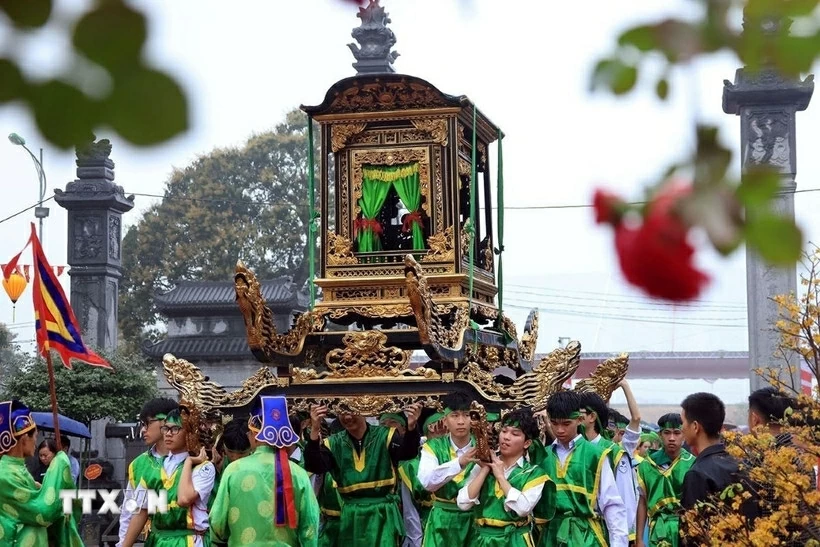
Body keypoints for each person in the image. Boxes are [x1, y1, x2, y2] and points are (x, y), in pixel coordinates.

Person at [304, 403, 422, 547]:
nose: (347, 417)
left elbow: (407, 453)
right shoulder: (333, 443)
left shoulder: (386, 435)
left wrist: (411, 427)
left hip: (383, 514)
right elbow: (315, 466)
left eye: (352, 411)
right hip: (351, 516)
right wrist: (315, 429)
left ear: (364, 409)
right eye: (342, 412)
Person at [210, 396, 320, 546]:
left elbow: (217, 522)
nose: (248, 435)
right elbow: (310, 526)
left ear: (256, 434)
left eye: (249, 432)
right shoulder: (299, 473)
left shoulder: (233, 470)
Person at [539, 390, 628, 547]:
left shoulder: (596, 455)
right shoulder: (542, 456)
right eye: (554, 423)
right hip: (550, 536)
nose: (559, 430)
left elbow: (612, 504)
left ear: (579, 419)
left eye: (566, 423)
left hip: (586, 536)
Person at [121, 408, 216, 547]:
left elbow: (184, 499)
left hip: (188, 541)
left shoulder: (204, 468)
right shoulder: (153, 467)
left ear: (190, 434)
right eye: (166, 429)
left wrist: (189, 461)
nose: (168, 434)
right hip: (157, 541)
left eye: (176, 429)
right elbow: (141, 511)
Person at [457, 408, 552, 547]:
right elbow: (463, 503)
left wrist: (500, 477)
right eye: (504, 431)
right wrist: (485, 469)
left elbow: (522, 508)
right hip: (482, 540)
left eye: (515, 434)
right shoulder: (482, 466)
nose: (506, 437)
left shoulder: (534, 474)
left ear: (527, 443)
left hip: (515, 540)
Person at [0, 399, 83, 546]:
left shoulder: (16, 469)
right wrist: (60, 462)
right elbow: (43, 512)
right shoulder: (5, 474)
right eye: (35, 436)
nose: (35, 443)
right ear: (25, 438)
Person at [417, 393, 477, 547]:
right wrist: (459, 463)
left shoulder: (483, 448)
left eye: (466, 415)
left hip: (475, 520)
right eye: (454, 415)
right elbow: (427, 482)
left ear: (474, 419)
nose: (461, 421)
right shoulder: (433, 447)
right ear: (445, 421)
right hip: (441, 520)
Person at [117, 397, 178, 547]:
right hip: (155, 540)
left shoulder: (192, 460)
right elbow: (129, 510)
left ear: (166, 422)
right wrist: (123, 543)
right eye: (142, 424)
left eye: (148, 423)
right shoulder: (138, 465)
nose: (143, 430)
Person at [579, 391, 638, 543]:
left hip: (603, 532)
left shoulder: (614, 453)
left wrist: (624, 540)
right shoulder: (572, 450)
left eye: (577, 413)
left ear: (592, 417)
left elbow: (626, 500)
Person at [635, 413, 694, 547]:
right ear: (660, 435)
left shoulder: (692, 464)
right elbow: (642, 502)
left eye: (677, 433)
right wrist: (639, 540)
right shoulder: (647, 465)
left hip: (686, 530)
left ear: (684, 435)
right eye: (667, 433)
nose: (672, 438)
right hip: (658, 530)